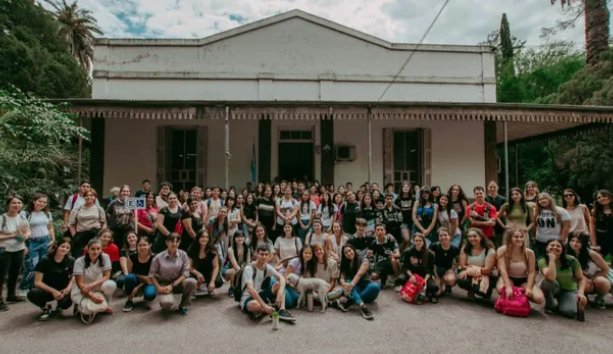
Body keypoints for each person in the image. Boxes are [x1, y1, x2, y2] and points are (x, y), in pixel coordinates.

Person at [239, 244, 295, 322]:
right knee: (256, 305)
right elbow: (250, 290)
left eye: (266, 255)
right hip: (248, 299)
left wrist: (280, 293)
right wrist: (264, 306)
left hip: (262, 294)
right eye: (262, 254)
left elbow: (281, 278)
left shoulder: (266, 266)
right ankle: (268, 308)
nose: (264, 257)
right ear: (256, 254)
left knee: (278, 284)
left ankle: (282, 310)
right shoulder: (249, 268)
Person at [148, 233, 197, 315]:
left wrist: (173, 285)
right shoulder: (158, 258)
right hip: (164, 283)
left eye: (177, 241)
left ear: (179, 243)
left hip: (178, 282)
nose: (174, 244)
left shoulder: (183, 255)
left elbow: (185, 273)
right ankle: (164, 302)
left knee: (192, 282)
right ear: (166, 242)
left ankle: (183, 305)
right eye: (172, 241)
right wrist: (158, 287)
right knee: (167, 304)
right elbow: (152, 275)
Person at [27, 238, 74, 321]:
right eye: (62, 246)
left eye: (67, 248)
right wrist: (53, 291)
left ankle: (60, 306)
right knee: (33, 293)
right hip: (47, 290)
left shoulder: (71, 261)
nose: (64, 249)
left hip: (62, 290)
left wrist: (68, 288)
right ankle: (45, 308)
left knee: (66, 302)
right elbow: (37, 282)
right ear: (57, 246)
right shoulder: (45, 260)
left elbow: (73, 277)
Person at [538, 239, 587, 319]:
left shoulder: (572, 260)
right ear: (547, 248)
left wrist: (581, 292)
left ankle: (564, 303)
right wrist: (552, 260)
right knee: (548, 282)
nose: (555, 247)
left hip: (569, 290)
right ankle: (550, 305)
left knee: (569, 313)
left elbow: (581, 279)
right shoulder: (542, 261)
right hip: (553, 287)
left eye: (558, 246)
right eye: (552, 245)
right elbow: (551, 277)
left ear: (563, 249)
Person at [18, 193, 54, 297]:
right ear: (34, 201)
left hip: (45, 241)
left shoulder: (47, 214)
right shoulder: (26, 214)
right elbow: (20, 230)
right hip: (32, 242)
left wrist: (53, 239)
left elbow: (50, 227)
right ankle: (24, 287)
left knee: (42, 266)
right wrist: (23, 244)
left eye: (44, 202)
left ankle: (35, 287)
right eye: (39, 201)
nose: (42, 204)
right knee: (32, 267)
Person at [495, 229, 544, 305]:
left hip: (523, 279)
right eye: (516, 237)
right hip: (508, 277)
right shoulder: (502, 250)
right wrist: (508, 287)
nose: (519, 239)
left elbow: (531, 272)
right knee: (502, 289)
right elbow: (503, 270)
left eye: (521, 237)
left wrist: (529, 288)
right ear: (510, 238)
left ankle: (521, 297)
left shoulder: (530, 253)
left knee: (539, 298)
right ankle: (511, 298)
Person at [71, 238, 117, 318]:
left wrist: (91, 286)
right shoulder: (79, 261)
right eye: (92, 249)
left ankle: (106, 305)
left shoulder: (105, 257)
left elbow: (107, 276)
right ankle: (79, 307)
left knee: (111, 284)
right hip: (81, 289)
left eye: (98, 249)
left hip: (97, 285)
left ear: (101, 249)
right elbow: (80, 283)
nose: (95, 252)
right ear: (87, 250)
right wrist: (91, 296)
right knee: (88, 311)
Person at [0, 196, 31, 310]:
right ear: (8, 204)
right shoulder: (2, 218)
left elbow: (27, 230)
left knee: (15, 273)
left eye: (19, 203)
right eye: (14, 203)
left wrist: (26, 236)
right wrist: (13, 235)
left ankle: (11, 295)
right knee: (1, 275)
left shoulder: (22, 217)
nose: (17, 205)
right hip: (4, 250)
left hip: (19, 249)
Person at [566, 232, 611, 310]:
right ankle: (582, 297)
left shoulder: (591, 254)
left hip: (593, 278)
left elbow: (606, 269)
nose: (574, 243)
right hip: (577, 279)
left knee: (603, 282)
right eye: (572, 241)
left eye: (578, 242)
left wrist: (592, 278)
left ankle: (599, 299)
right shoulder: (566, 254)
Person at [334, 244, 378, 320]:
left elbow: (359, 274)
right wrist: (344, 284)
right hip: (355, 288)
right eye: (346, 253)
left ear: (353, 250)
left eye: (349, 251)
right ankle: (363, 307)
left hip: (366, 288)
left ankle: (350, 302)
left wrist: (350, 287)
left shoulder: (364, 260)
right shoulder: (345, 263)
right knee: (348, 281)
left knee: (375, 286)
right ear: (344, 255)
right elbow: (342, 277)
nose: (348, 253)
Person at [457, 228, 496, 300]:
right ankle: (471, 290)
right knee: (461, 277)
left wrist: (470, 270)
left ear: (480, 237)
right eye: (470, 236)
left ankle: (486, 292)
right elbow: (463, 265)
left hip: (485, 275)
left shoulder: (489, 250)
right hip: (473, 272)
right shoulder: (465, 248)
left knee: (482, 290)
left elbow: (487, 269)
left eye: (474, 236)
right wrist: (472, 270)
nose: (472, 238)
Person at [395, 233, 438, 298]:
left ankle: (424, 291)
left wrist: (425, 281)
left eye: (420, 240)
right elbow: (406, 267)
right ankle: (407, 286)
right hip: (411, 273)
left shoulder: (430, 254)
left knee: (434, 287)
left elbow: (430, 270)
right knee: (400, 279)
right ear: (413, 241)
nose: (418, 242)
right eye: (416, 241)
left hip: (423, 275)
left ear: (424, 241)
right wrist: (411, 276)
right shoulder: (408, 252)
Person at [68, 189, 106, 258]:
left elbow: (104, 223)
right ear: (84, 197)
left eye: (91, 195)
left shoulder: (99, 209)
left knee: (94, 257)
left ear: (95, 197)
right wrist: (75, 237)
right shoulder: (76, 209)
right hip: (80, 236)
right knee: (78, 257)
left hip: (95, 235)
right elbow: (72, 225)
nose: (89, 197)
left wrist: (101, 236)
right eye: (87, 195)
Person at [123, 236, 156, 312]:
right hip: (135, 279)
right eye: (139, 245)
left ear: (149, 245)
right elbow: (129, 273)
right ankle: (129, 300)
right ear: (136, 246)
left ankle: (143, 292)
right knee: (129, 277)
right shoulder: (131, 257)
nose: (142, 247)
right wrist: (143, 277)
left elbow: (153, 277)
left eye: (145, 245)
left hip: (149, 281)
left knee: (150, 295)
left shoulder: (154, 258)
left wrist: (138, 287)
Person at [534, 193, 571, 258]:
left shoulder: (560, 210)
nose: (542, 201)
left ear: (549, 199)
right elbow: (534, 224)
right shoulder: (537, 211)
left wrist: (561, 240)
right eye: (540, 200)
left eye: (544, 198)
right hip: (540, 241)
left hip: (556, 241)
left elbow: (567, 226)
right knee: (542, 260)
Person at [187, 230, 222, 296]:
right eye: (202, 237)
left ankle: (209, 286)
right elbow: (189, 266)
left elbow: (216, 267)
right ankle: (196, 286)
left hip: (208, 272)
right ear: (198, 238)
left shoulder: (212, 250)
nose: (204, 239)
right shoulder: (192, 249)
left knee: (218, 281)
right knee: (189, 279)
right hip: (196, 272)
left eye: (207, 237)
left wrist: (212, 282)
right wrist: (198, 274)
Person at [429, 227, 460, 296]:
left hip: (447, 270)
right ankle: (439, 283)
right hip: (435, 269)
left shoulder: (454, 249)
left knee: (451, 280)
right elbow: (430, 261)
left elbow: (458, 262)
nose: (443, 237)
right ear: (438, 237)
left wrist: (452, 269)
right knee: (436, 293)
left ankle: (445, 283)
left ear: (449, 236)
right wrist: (436, 277)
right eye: (441, 235)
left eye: (445, 235)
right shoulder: (434, 246)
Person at [105, 185, 134, 250]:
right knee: (116, 247)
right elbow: (108, 213)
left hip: (127, 229)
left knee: (125, 248)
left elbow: (134, 214)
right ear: (120, 192)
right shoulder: (114, 202)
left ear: (130, 193)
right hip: (115, 229)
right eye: (124, 191)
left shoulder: (132, 202)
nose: (125, 193)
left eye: (127, 191)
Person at [224, 231, 251, 297]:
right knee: (234, 271)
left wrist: (247, 270)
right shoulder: (231, 249)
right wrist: (243, 272)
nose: (240, 238)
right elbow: (234, 265)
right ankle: (232, 288)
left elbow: (248, 263)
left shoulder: (247, 249)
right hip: (228, 269)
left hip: (240, 268)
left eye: (242, 237)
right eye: (238, 237)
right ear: (234, 238)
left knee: (249, 269)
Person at [590, 190, 613, 265]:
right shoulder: (594, 211)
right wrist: (594, 246)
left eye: (604, 196)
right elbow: (592, 230)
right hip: (601, 240)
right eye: (599, 197)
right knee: (596, 263)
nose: (602, 198)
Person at [485, 181, 507, 247]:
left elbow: (505, 212)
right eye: (490, 187)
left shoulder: (503, 199)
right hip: (489, 223)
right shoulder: (485, 199)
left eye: (494, 187)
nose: (492, 189)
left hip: (500, 224)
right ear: (488, 188)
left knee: (500, 242)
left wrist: (494, 213)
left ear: (497, 188)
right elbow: (485, 212)